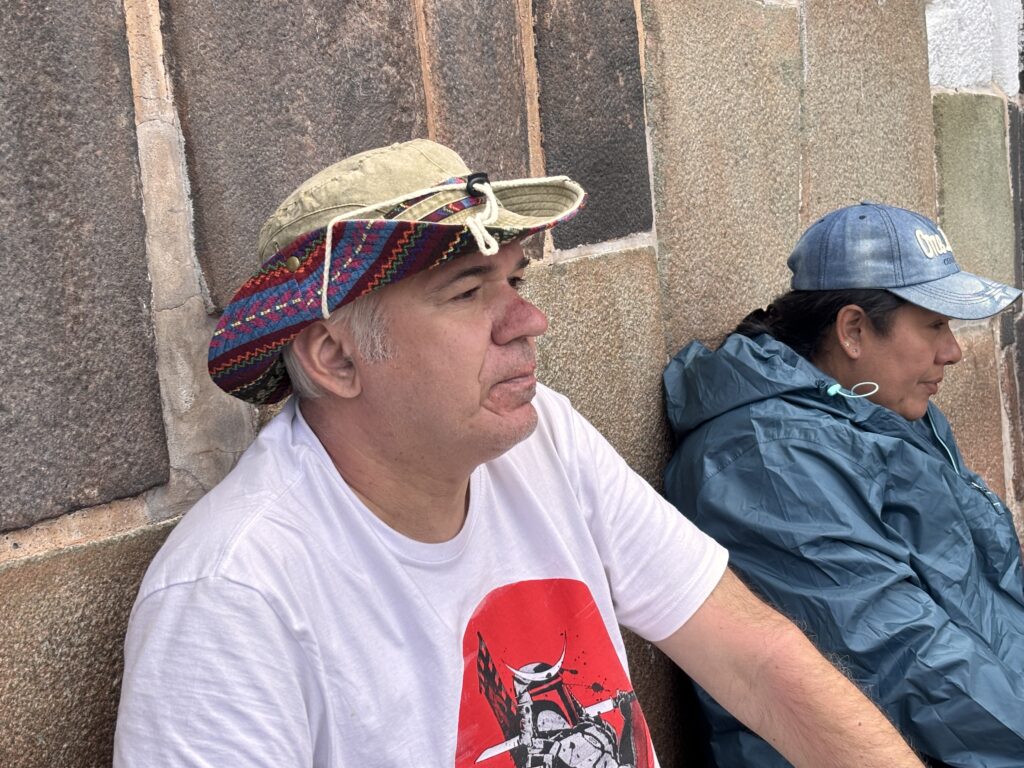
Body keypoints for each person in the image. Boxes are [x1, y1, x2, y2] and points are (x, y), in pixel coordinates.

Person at [114, 141, 925, 767]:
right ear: (334, 357)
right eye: (470, 291)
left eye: (517, 282)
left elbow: (757, 658)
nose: (528, 322)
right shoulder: (232, 594)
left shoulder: (543, 438)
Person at [663, 202, 1024, 768]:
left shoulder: (881, 409)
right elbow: (904, 659)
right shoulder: (768, 461)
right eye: (935, 324)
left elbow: (983, 589)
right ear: (853, 330)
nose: (952, 351)